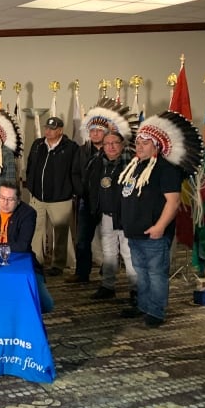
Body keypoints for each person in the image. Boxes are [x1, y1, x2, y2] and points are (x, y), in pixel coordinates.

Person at [119, 111, 201, 328]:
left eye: (145, 143)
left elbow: (173, 202)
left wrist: (160, 227)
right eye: (138, 142)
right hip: (135, 232)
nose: (139, 146)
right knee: (142, 273)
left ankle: (155, 311)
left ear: (156, 145)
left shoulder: (166, 169)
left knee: (155, 274)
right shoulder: (135, 166)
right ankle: (144, 306)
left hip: (154, 234)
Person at [69, 99, 138, 284]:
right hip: (91, 203)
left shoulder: (129, 160)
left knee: (125, 250)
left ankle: (132, 289)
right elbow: (77, 174)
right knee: (91, 243)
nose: (111, 147)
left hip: (119, 210)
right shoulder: (88, 154)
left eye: (99, 131)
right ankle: (95, 279)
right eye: (92, 130)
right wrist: (83, 193)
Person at [0, 181, 54, 314]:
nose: (5, 203)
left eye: (10, 199)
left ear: (18, 200)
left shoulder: (28, 213)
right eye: (2, 198)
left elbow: (21, 246)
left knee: (46, 304)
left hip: (19, 260)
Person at [25, 116, 82, 276]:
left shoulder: (71, 148)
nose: (48, 131)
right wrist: (31, 185)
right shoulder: (38, 145)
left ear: (60, 130)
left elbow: (75, 172)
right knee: (35, 230)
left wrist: (71, 191)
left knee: (61, 232)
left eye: (52, 129)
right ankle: (36, 261)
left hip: (61, 198)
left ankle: (58, 265)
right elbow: (30, 166)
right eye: (47, 128)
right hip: (38, 197)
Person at [87, 130, 136, 303]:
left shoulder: (132, 162)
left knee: (129, 254)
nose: (111, 147)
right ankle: (108, 286)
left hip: (126, 216)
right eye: (107, 144)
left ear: (122, 144)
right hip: (105, 215)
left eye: (114, 143)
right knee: (108, 253)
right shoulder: (98, 162)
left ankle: (135, 290)